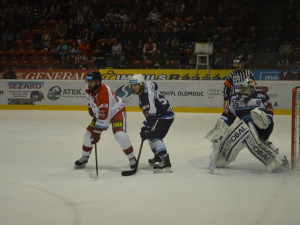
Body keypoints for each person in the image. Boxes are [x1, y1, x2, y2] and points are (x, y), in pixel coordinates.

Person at [206, 78, 288, 173]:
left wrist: (266, 121)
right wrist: (221, 126)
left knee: (257, 138)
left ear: (251, 88)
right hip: (246, 126)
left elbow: (269, 111)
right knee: (256, 140)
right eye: (241, 88)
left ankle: (276, 159)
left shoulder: (261, 96)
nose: (242, 91)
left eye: (245, 88)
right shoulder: (234, 99)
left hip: (262, 126)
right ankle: (280, 157)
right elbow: (228, 116)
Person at [75, 71, 137, 169]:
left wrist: (96, 133)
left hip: (116, 112)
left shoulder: (103, 94)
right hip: (102, 112)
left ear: (98, 82)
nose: (89, 84)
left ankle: (132, 158)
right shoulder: (89, 88)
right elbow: (90, 100)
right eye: (88, 81)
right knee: (88, 133)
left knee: (120, 135)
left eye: (91, 82)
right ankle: (85, 156)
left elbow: (105, 119)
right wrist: (91, 108)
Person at [129, 74, 175, 172]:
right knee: (149, 135)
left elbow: (152, 116)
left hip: (165, 116)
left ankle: (165, 160)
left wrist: (145, 127)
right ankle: (157, 156)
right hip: (161, 114)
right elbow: (154, 84)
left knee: (155, 136)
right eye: (132, 85)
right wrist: (146, 128)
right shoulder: (147, 85)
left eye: (135, 85)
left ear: (141, 85)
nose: (133, 88)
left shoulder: (147, 98)